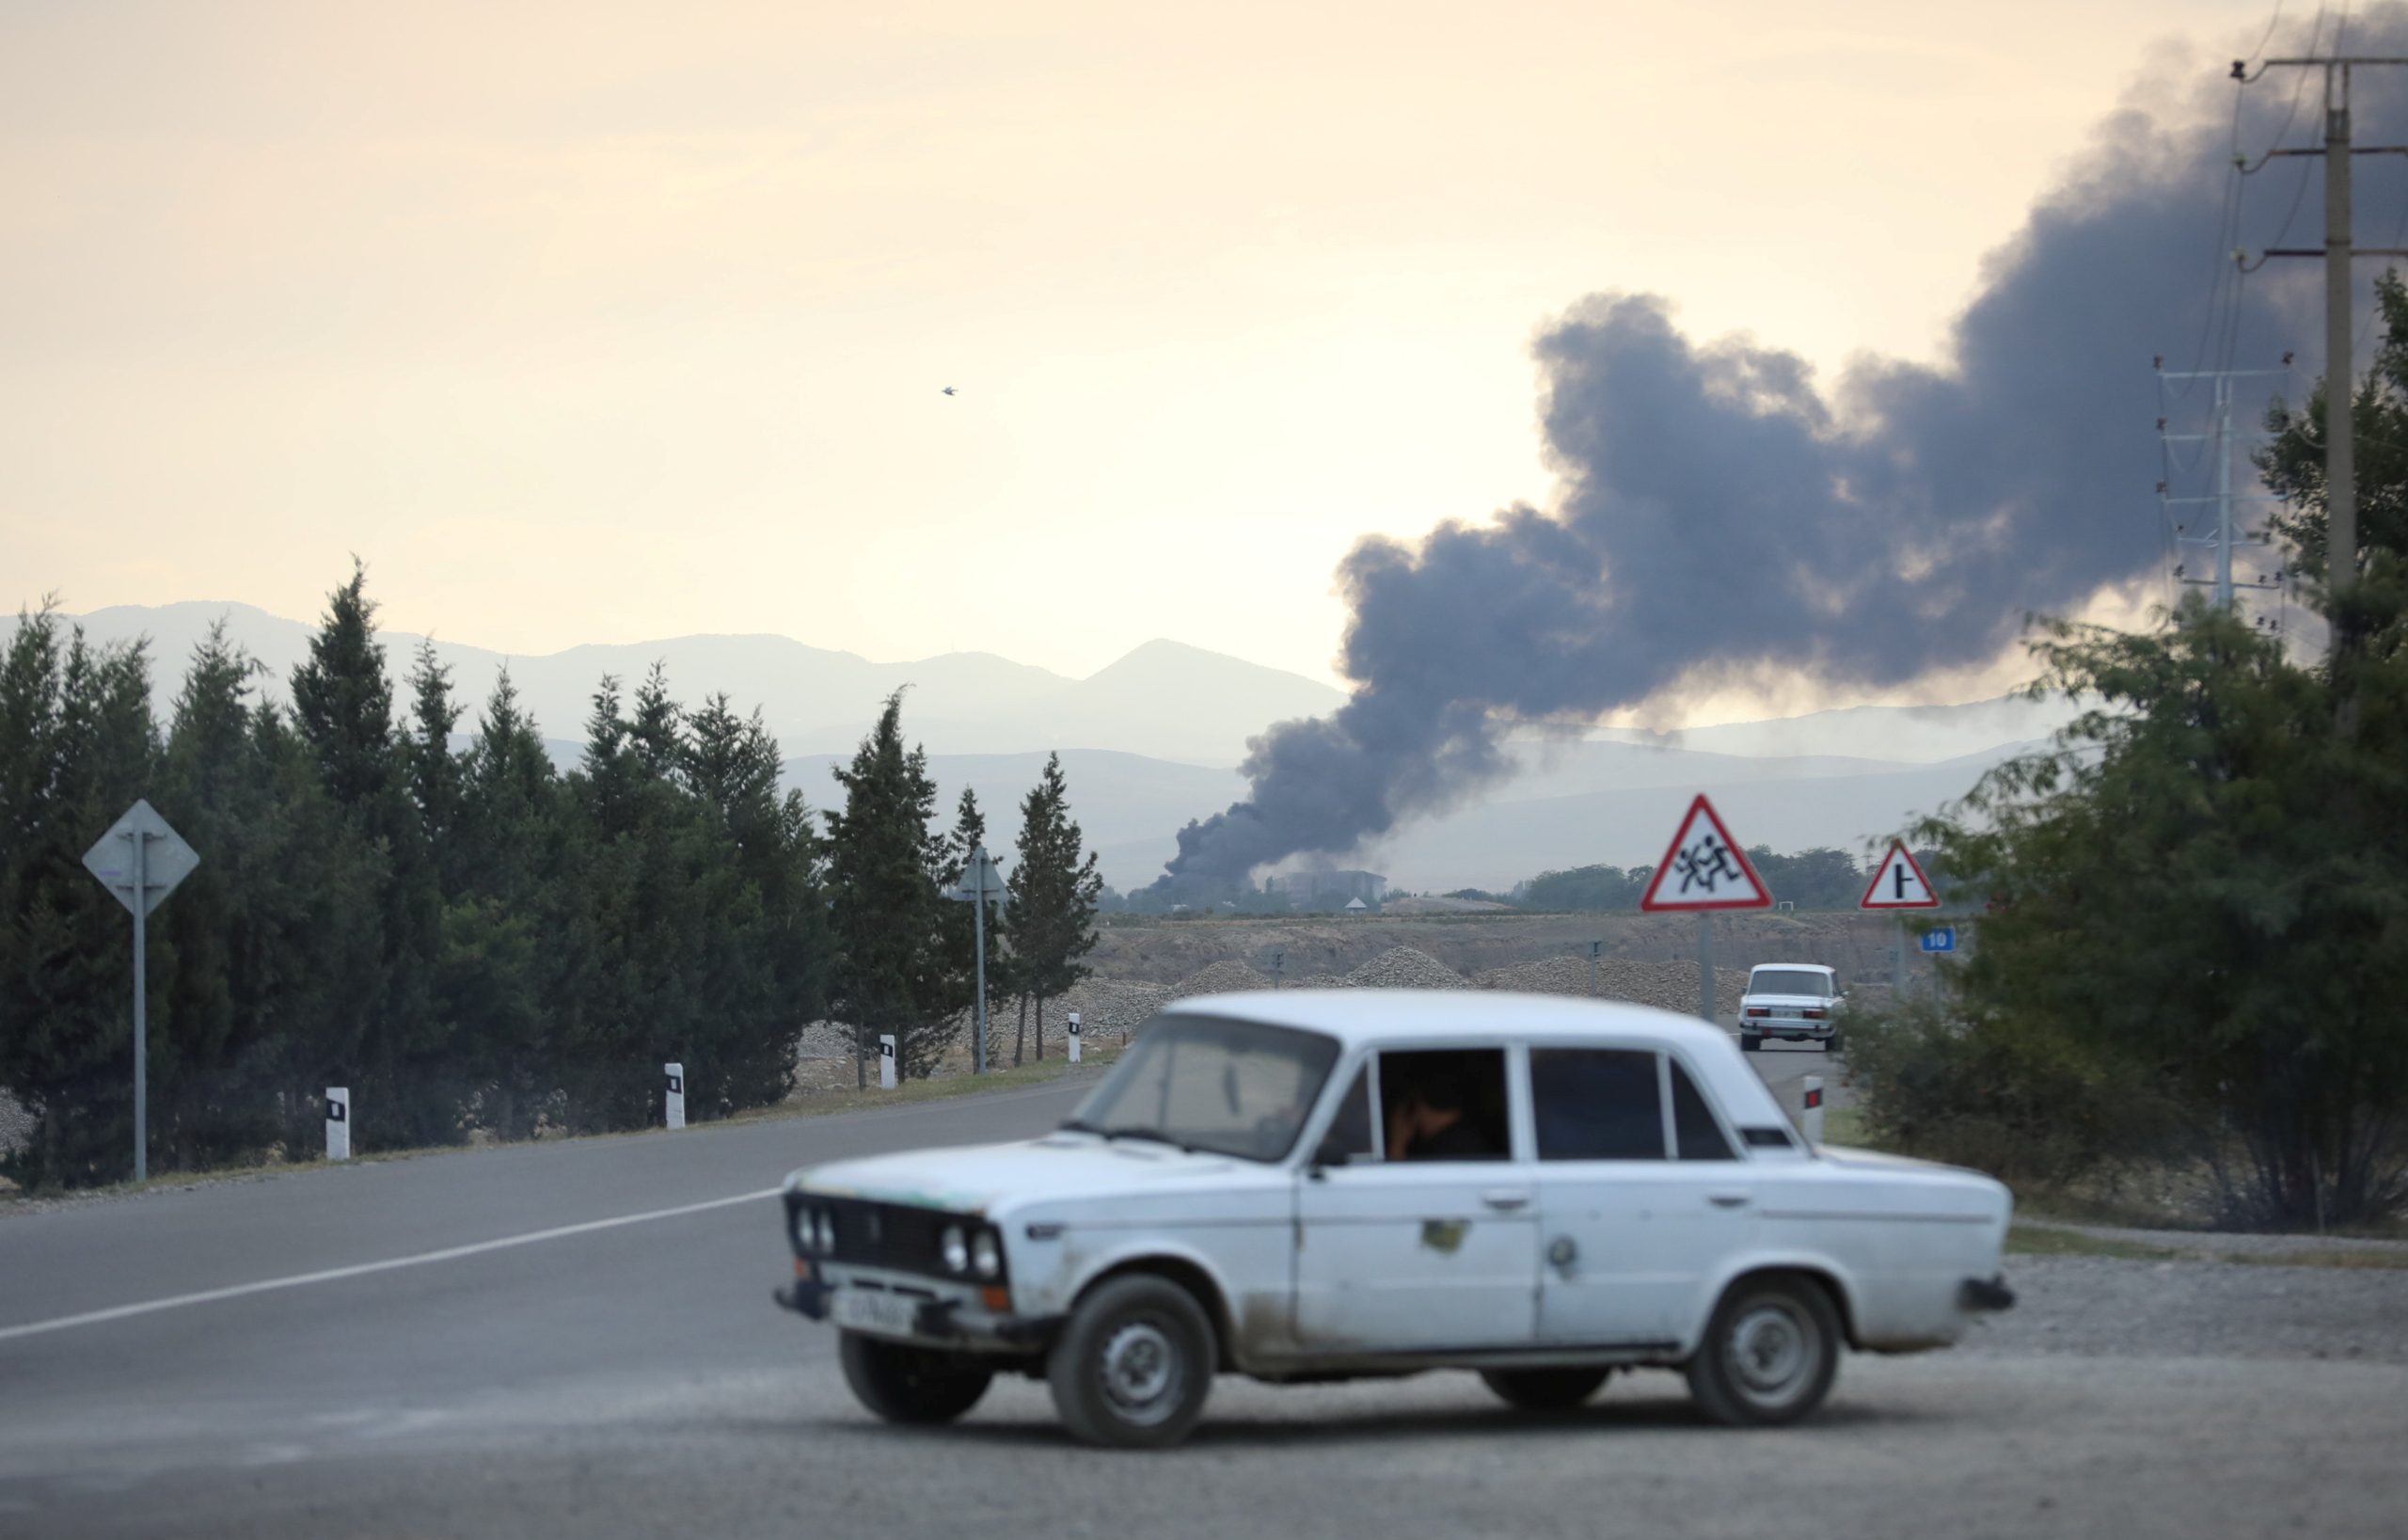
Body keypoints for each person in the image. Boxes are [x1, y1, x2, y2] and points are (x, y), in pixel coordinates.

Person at [1385, 1070, 1491, 1161]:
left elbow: (1402, 1182)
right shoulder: (1465, 1136)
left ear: (1418, 1104)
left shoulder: (1447, 1148)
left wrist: (1398, 1143)